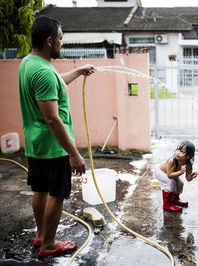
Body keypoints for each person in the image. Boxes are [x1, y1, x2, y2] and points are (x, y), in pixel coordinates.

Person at [18, 15, 95, 257]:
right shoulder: (42, 71)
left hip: (36, 143)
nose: (62, 43)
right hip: (54, 146)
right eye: (60, 39)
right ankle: (49, 244)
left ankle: (41, 235)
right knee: (57, 193)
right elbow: (52, 118)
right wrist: (74, 153)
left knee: (40, 190)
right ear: (50, 40)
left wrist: (79, 71)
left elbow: (54, 84)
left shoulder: (29, 64)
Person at [154, 141, 198, 212]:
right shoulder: (172, 161)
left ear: (188, 156)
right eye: (177, 149)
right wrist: (181, 172)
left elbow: (187, 178)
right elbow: (169, 175)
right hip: (160, 171)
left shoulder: (188, 164)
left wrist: (191, 177)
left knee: (180, 183)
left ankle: (175, 200)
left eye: (182, 151)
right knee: (171, 183)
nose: (177, 152)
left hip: (172, 173)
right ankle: (167, 204)